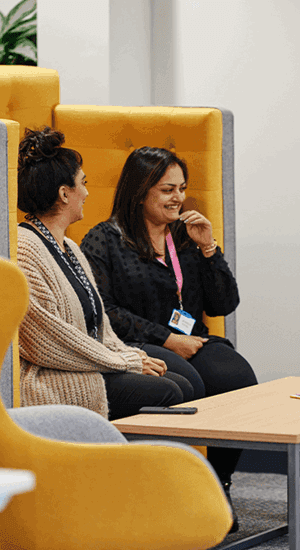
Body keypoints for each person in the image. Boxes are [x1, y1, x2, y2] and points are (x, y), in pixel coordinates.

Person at [80, 146, 258, 532]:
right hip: (136, 345)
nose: (178, 198)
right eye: (166, 190)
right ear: (140, 192)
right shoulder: (104, 240)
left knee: (240, 383)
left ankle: (217, 482)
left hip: (193, 341)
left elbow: (224, 303)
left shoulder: (184, 235)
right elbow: (103, 311)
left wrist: (209, 248)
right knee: (187, 388)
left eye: (182, 188)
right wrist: (166, 338)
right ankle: (170, 491)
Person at [16, 127, 195, 421]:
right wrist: (123, 361)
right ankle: (125, 465)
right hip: (56, 375)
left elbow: (101, 327)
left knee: (184, 384)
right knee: (171, 392)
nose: (86, 193)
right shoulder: (25, 249)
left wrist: (131, 355)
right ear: (64, 194)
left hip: (90, 362)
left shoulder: (70, 247)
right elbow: (47, 341)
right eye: (82, 184)